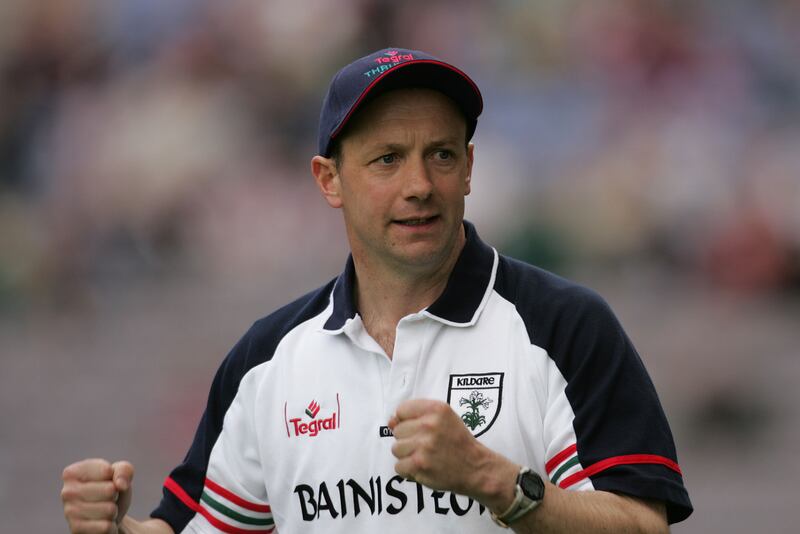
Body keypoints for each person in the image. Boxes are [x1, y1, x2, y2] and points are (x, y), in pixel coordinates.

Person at [61, 47, 692, 534]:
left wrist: (494, 482)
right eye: (387, 159)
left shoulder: (566, 326)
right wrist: (121, 526)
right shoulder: (267, 359)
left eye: (441, 155)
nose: (419, 184)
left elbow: (643, 524)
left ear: (470, 169)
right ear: (329, 179)